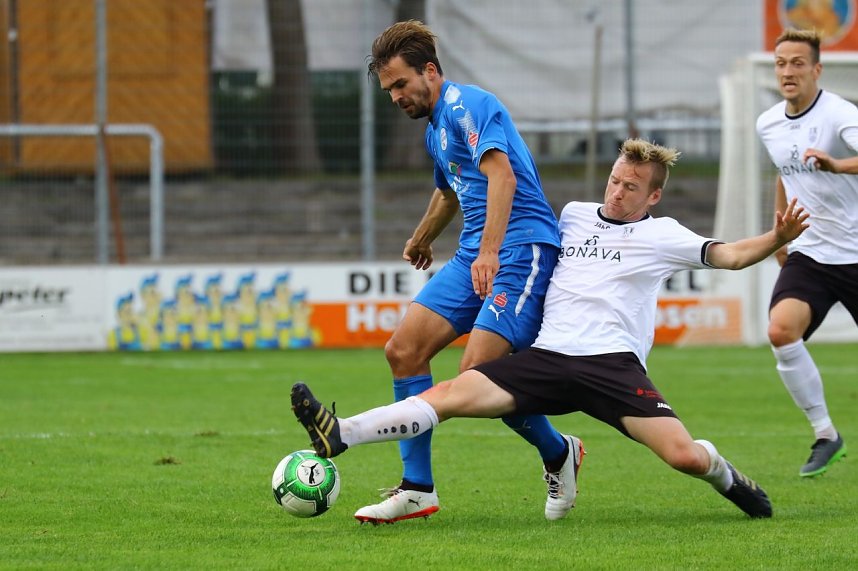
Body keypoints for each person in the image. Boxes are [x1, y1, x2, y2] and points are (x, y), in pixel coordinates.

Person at [292, 138, 811, 520]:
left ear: (652, 198)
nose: (618, 192)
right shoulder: (573, 216)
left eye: (632, 187)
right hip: (547, 357)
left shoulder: (663, 235)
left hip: (612, 365)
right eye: (614, 180)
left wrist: (776, 236)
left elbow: (730, 255)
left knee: (682, 456)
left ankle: (722, 472)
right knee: (451, 390)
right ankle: (343, 434)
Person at [357, 20, 571, 523]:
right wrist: (422, 236)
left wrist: (490, 252)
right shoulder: (436, 129)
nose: (395, 97)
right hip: (477, 252)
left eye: (400, 85)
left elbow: (502, 174)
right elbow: (451, 189)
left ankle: (558, 451)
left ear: (430, 71)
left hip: (521, 249)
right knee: (403, 350)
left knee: (477, 376)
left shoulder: (467, 105)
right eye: (389, 90)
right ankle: (417, 489)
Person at [756, 28, 856, 478]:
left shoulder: (839, 115)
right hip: (812, 254)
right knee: (780, 330)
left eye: (798, 63)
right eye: (781, 63)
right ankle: (824, 434)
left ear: (817, 69)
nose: (788, 71)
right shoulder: (768, 123)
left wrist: (837, 164)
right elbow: (784, 174)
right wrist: (782, 235)